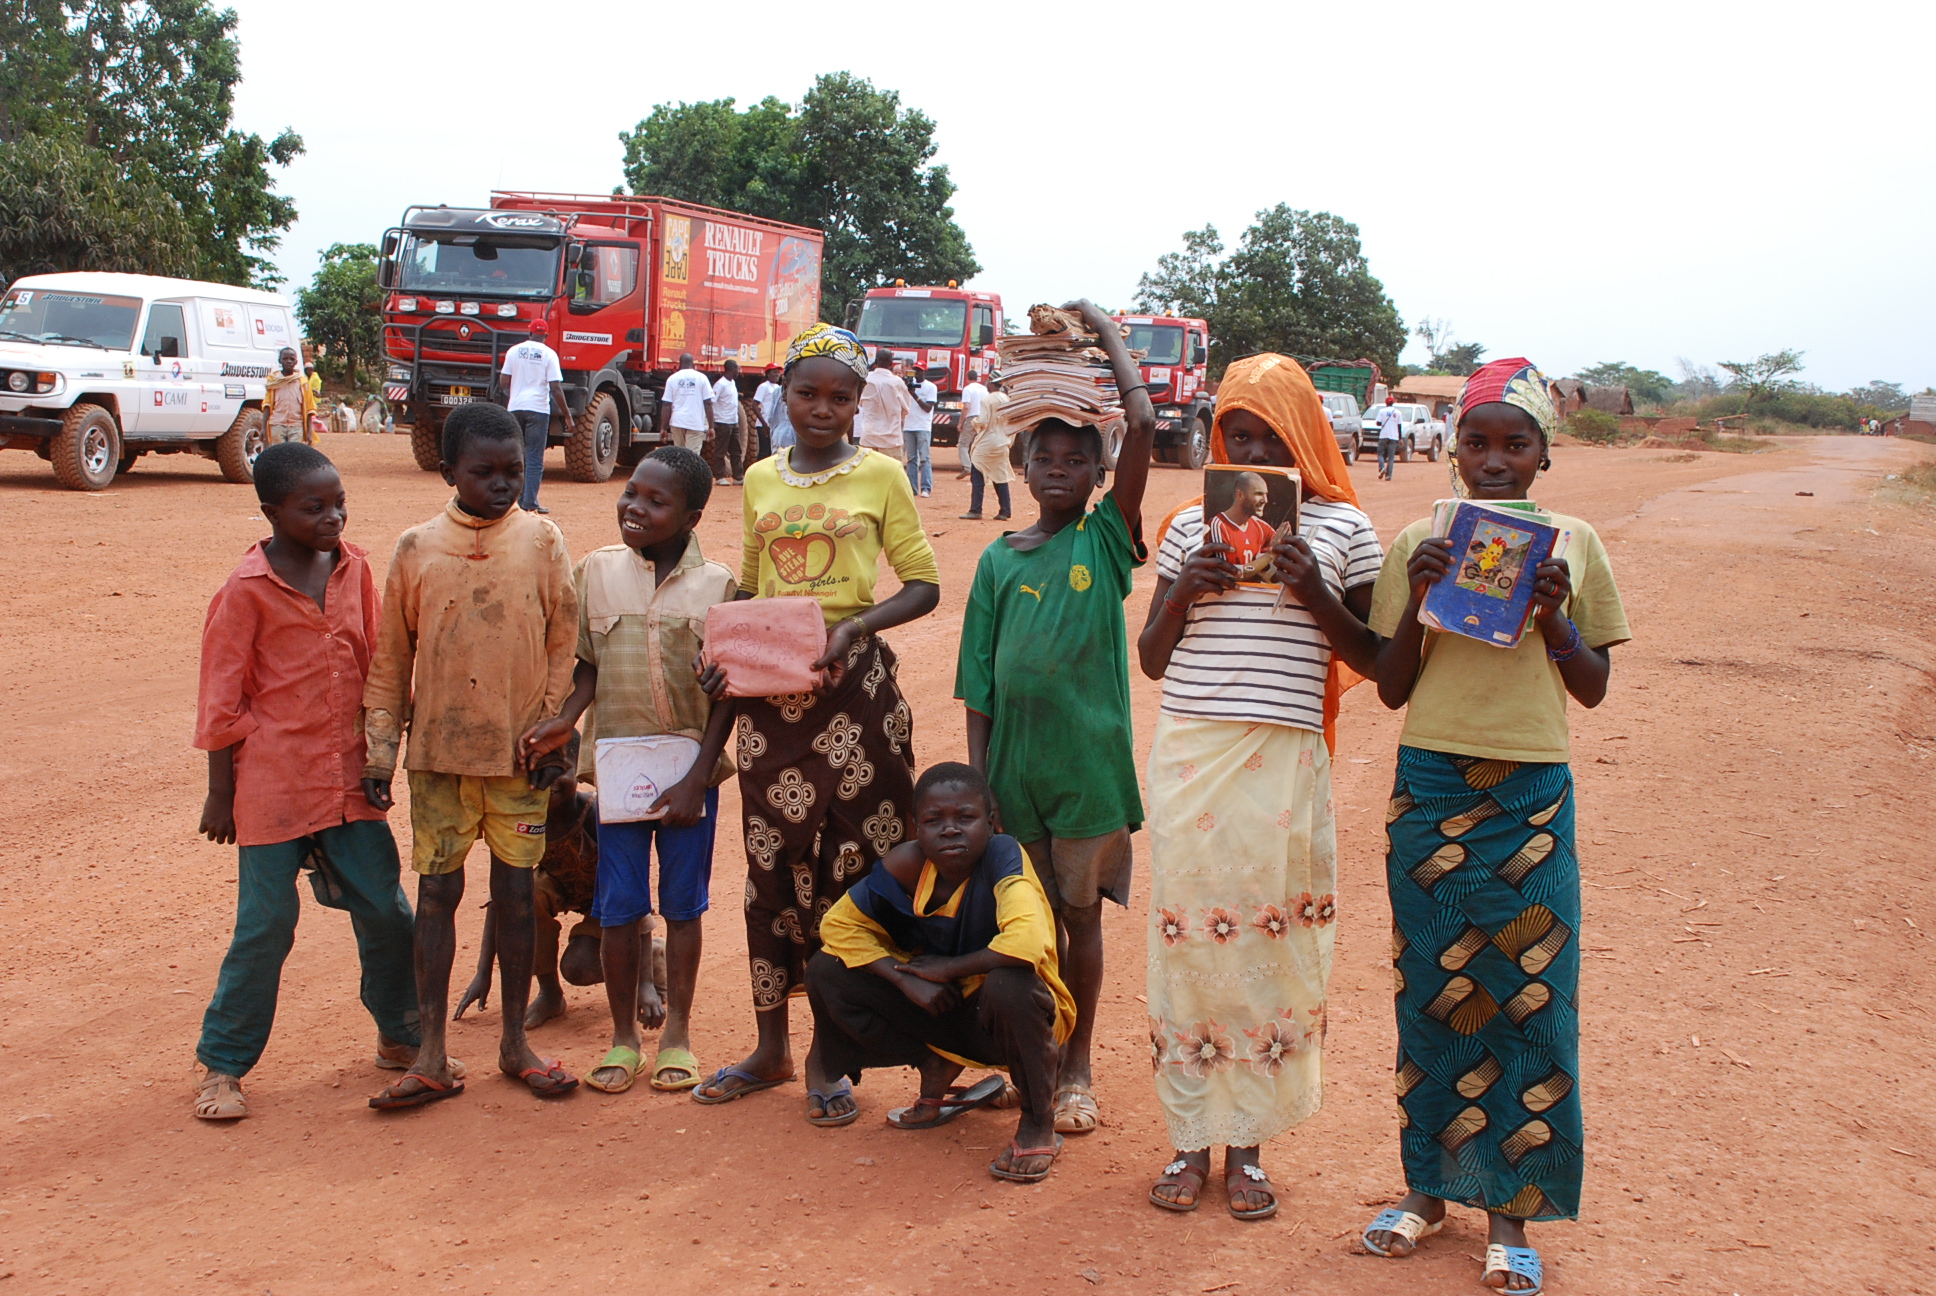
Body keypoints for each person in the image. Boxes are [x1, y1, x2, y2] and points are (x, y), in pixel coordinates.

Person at [1360, 359, 1628, 1294]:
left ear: (1545, 454)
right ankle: (1426, 1192)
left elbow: (1592, 688)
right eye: (1477, 442)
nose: (1494, 459)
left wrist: (1555, 618)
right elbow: (1392, 688)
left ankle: (1511, 1212)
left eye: (1516, 443)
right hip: (1430, 784)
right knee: (1431, 992)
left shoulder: (1578, 544)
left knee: (1529, 995)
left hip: (1531, 801)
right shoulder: (1418, 541)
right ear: (1453, 450)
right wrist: (1423, 608)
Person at [1135, 352, 1384, 1220]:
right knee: (1191, 946)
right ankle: (1185, 1140)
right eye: (1235, 435)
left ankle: (1246, 1149)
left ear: (1304, 437)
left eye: (1268, 436)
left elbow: (1380, 663)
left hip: (1282, 759)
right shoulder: (1184, 528)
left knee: (1263, 949)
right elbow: (1154, 661)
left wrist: (1314, 589)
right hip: (1192, 751)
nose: (1249, 452)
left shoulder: (1346, 529)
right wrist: (1183, 594)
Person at [690, 322, 940, 1127]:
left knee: (856, 872)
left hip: (855, 700)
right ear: (783, 396)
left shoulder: (883, 476)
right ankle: (769, 1047)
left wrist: (853, 630)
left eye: (840, 396)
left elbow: (924, 584)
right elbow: (755, 589)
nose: (823, 408)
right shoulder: (761, 479)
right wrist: (723, 654)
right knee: (769, 874)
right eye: (809, 393)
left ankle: (831, 1052)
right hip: (770, 708)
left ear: (860, 403)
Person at [956, 298, 1155, 1140]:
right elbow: (979, 688)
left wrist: (1108, 335)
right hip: (1015, 778)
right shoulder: (998, 561)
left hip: (1089, 775)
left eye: (1080, 458)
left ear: (1098, 475)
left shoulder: (1106, 541)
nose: (1063, 468)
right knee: (1022, 926)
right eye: (1049, 456)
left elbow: (1142, 423)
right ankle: (1029, 1054)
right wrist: (980, 786)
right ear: (1024, 468)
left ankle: (1077, 1068)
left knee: (1080, 921)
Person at [190, 443, 427, 1121]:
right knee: (265, 925)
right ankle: (223, 1066)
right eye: (313, 507)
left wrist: (380, 760)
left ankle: (401, 1034)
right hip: (273, 783)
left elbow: (379, 666)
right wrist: (219, 792)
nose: (333, 517)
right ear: (272, 512)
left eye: (339, 503)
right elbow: (221, 698)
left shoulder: (354, 569)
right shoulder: (244, 592)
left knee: (385, 910)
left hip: (351, 779)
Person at [362, 402, 580, 1108]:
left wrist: (555, 732)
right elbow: (392, 659)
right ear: (449, 469)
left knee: (516, 899)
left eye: (513, 470)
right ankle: (431, 1052)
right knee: (437, 895)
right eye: (482, 471)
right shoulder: (416, 547)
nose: (500, 483)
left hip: (520, 760)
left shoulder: (543, 541)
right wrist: (379, 754)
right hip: (438, 760)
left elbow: (562, 643)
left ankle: (515, 1044)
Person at [518, 446, 740, 1095]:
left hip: (687, 773)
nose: (634, 507)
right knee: (618, 909)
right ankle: (623, 1040)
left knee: (683, 906)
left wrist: (700, 775)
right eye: (631, 493)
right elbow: (587, 662)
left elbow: (727, 695)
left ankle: (677, 1036)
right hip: (617, 769)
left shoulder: (719, 585)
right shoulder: (596, 572)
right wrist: (569, 716)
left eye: (655, 500)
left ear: (692, 515)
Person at [809, 763, 1075, 1181]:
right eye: (935, 821)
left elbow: (1026, 943)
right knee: (827, 970)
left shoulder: (1003, 856)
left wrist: (948, 969)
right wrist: (903, 978)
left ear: (991, 822)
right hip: (943, 1007)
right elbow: (837, 926)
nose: (950, 830)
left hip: (1009, 1016)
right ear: (916, 828)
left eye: (965, 818)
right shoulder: (908, 866)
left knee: (1011, 983)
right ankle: (934, 1064)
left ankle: (1038, 1119)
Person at [450, 731, 670, 1034]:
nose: (550, 779)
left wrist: (644, 984)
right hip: (560, 891)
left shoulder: (594, 813)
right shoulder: (524, 823)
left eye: (560, 769)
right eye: (540, 770)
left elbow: (632, 892)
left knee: (578, 967)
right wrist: (483, 972)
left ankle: (650, 961)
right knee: (525, 894)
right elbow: (501, 900)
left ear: (579, 769)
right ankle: (550, 993)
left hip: (607, 903)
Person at [497, 319, 567, 514]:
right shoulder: (549, 355)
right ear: (545, 336)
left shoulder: (514, 351)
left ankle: (514, 501)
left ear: (529, 334)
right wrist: (567, 416)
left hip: (516, 408)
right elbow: (556, 388)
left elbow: (503, 382)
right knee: (535, 457)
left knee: (517, 456)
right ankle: (530, 502)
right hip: (538, 410)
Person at [962, 377, 1013, 520]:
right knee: (1000, 475)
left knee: (977, 473)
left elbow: (982, 421)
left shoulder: (987, 400)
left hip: (987, 442)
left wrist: (974, 422)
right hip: (1002, 441)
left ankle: (975, 510)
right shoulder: (1007, 399)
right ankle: (1005, 511)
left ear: (991, 383)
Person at [1209, 470, 1275, 575]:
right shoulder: (1219, 525)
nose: (1265, 500)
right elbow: (1229, 575)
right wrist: (1268, 556)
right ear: (1240, 495)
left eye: (1265, 494)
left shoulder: (1261, 527)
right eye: (1259, 494)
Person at [858, 351, 916, 463]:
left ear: (875, 362)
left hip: (868, 438)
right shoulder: (897, 382)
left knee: (868, 477)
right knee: (892, 477)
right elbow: (906, 409)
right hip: (891, 440)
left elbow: (859, 403)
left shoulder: (865, 380)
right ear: (891, 363)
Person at [660, 354, 715, 454]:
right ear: (693, 364)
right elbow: (708, 403)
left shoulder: (672, 379)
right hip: (695, 422)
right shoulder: (702, 378)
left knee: (680, 456)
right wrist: (711, 427)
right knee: (692, 457)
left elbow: (666, 405)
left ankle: (680, 470)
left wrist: (663, 428)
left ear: (679, 364)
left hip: (677, 422)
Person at [264, 348, 314, 447]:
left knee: (294, 455)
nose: (288, 361)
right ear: (280, 360)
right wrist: (263, 428)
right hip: (277, 424)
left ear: (296, 361)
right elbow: (267, 405)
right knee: (279, 455)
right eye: (285, 358)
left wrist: (309, 432)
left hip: (296, 426)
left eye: (291, 359)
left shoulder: (303, 382)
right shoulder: (273, 381)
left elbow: (309, 409)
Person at [710, 359, 746, 486]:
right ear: (731, 369)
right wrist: (713, 422)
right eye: (736, 368)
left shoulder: (733, 383)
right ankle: (720, 476)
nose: (738, 371)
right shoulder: (720, 384)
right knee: (721, 450)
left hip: (733, 421)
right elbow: (712, 402)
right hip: (723, 422)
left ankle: (738, 477)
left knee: (736, 451)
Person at [904, 365, 938, 497]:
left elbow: (928, 408)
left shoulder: (931, 387)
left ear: (925, 372)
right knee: (911, 459)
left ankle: (926, 488)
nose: (917, 373)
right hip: (908, 425)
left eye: (919, 371)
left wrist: (914, 394)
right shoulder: (906, 387)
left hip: (923, 426)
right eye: (914, 371)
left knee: (924, 458)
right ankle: (913, 488)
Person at [753, 363, 788, 459]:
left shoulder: (777, 387)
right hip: (763, 425)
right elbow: (755, 405)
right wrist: (764, 424)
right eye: (774, 372)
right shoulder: (763, 387)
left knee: (772, 452)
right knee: (764, 452)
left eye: (778, 372)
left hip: (772, 425)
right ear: (768, 374)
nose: (777, 374)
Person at [959, 369, 988, 479]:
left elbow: (966, 407)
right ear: (977, 378)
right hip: (983, 418)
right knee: (978, 445)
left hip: (972, 418)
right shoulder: (984, 389)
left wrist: (961, 422)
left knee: (963, 444)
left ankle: (967, 467)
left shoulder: (967, 389)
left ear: (967, 378)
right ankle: (980, 468)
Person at [1377, 395, 1404, 481]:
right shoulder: (1398, 413)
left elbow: (1378, 423)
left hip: (1383, 435)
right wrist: (1400, 438)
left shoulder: (1381, 411)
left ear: (1386, 403)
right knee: (1391, 457)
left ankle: (1382, 467)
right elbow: (1399, 426)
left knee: (1380, 454)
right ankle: (1389, 476)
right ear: (1393, 403)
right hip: (1394, 437)